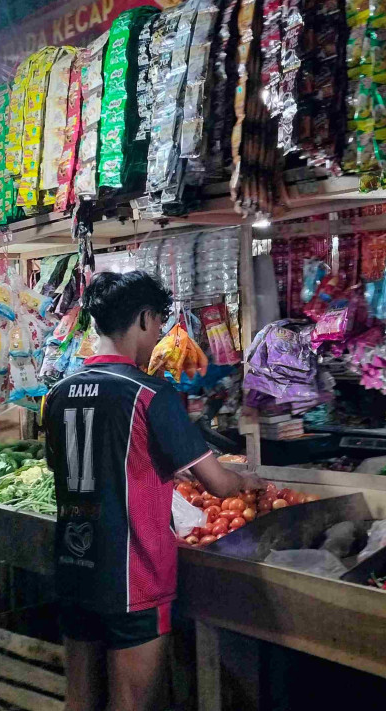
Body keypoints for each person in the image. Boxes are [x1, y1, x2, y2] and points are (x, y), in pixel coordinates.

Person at [43, 271, 242, 711]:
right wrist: (253, 482)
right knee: (131, 702)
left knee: (79, 699)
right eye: (158, 324)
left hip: (76, 565)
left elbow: (67, 466)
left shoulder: (58, 393)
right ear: (145, 318)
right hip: (134, 574)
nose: (158, 337)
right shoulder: (151, 394)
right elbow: (219, 483)